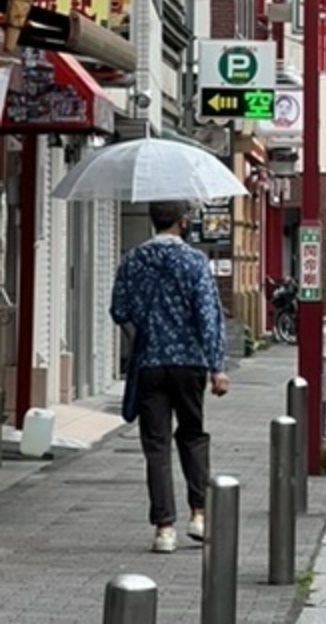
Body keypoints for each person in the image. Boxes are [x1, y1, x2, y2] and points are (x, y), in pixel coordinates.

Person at [110, 199, 230, 554]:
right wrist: (217, 367)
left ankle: (164, 528)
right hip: (189, 362)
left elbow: (119, 309)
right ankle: (199, 514)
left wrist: (145, 324)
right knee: (192, 434)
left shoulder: (133, 259)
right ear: (182, 221)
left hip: (149, 362)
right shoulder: (194, 261)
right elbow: (207, 316)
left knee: (156, 445)